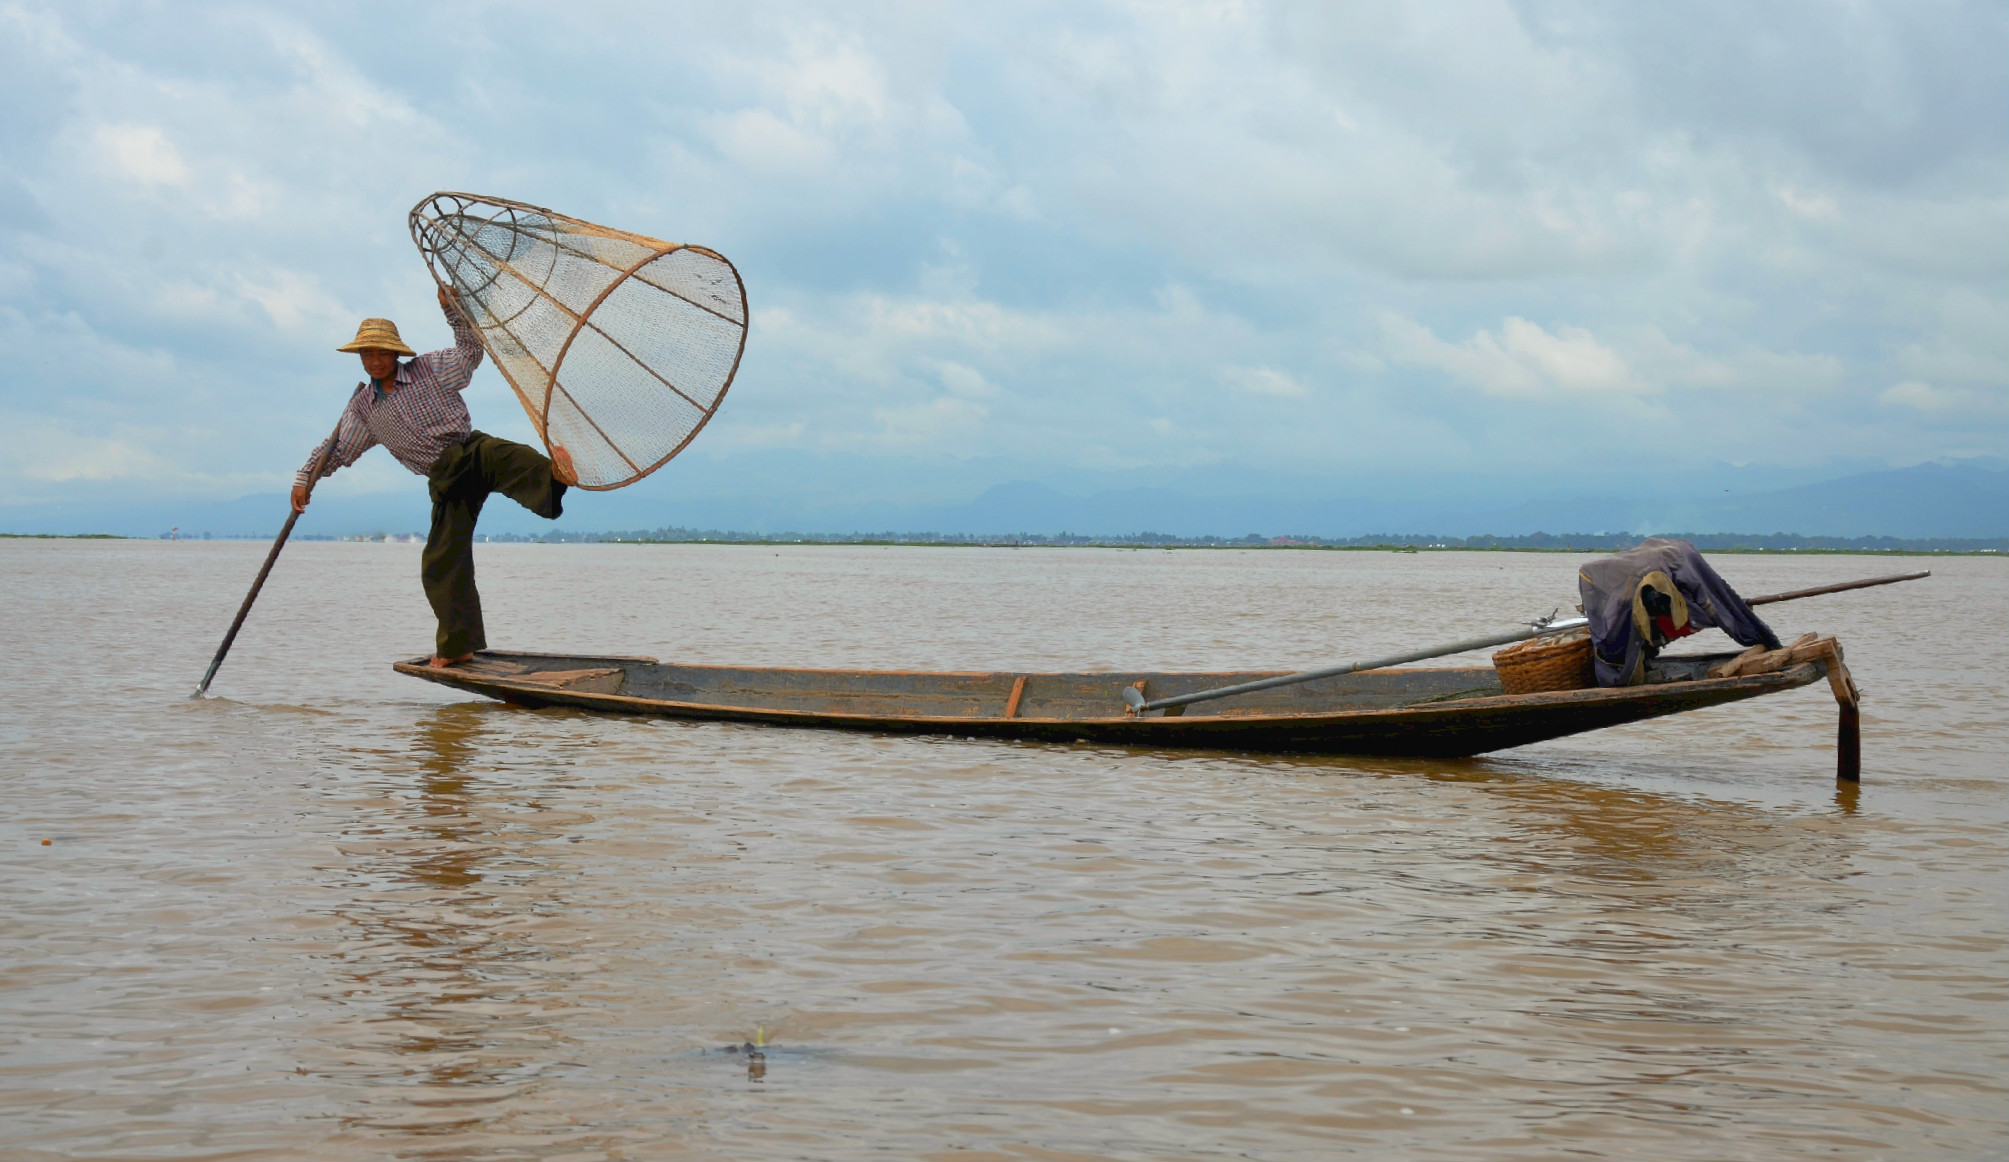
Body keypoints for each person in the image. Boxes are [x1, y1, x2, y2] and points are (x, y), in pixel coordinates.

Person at [292, 285, 578, 669]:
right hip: (443, 479)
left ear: (396, 354)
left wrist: (453, 311)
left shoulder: (428, 368)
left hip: (469, 451)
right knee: (440, 563)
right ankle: (458, 646)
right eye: (368, 354)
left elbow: (470, 353)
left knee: (507, 455)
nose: (375, 361)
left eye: (382, 353)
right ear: (360, 358)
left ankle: (556, 477)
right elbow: (339, 449)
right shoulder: (363, 408)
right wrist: (305, 479)